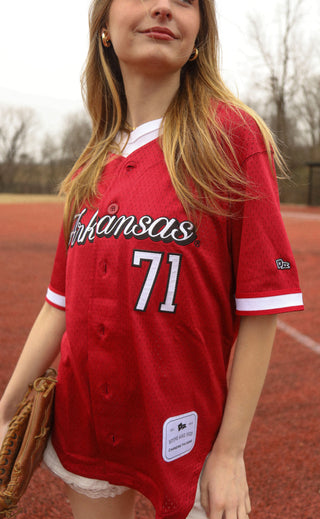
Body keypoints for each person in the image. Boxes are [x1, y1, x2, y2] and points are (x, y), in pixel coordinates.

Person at [0, 0, 304, 518]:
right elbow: (60, 304)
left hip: (188, 429)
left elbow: (261, 306)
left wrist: (229, 453)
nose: (163, 7)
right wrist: (4, 411)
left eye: (185, 1)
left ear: (199, 35)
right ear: (104, 28)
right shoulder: (91, 164)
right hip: (87, 420)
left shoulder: (230, 138)